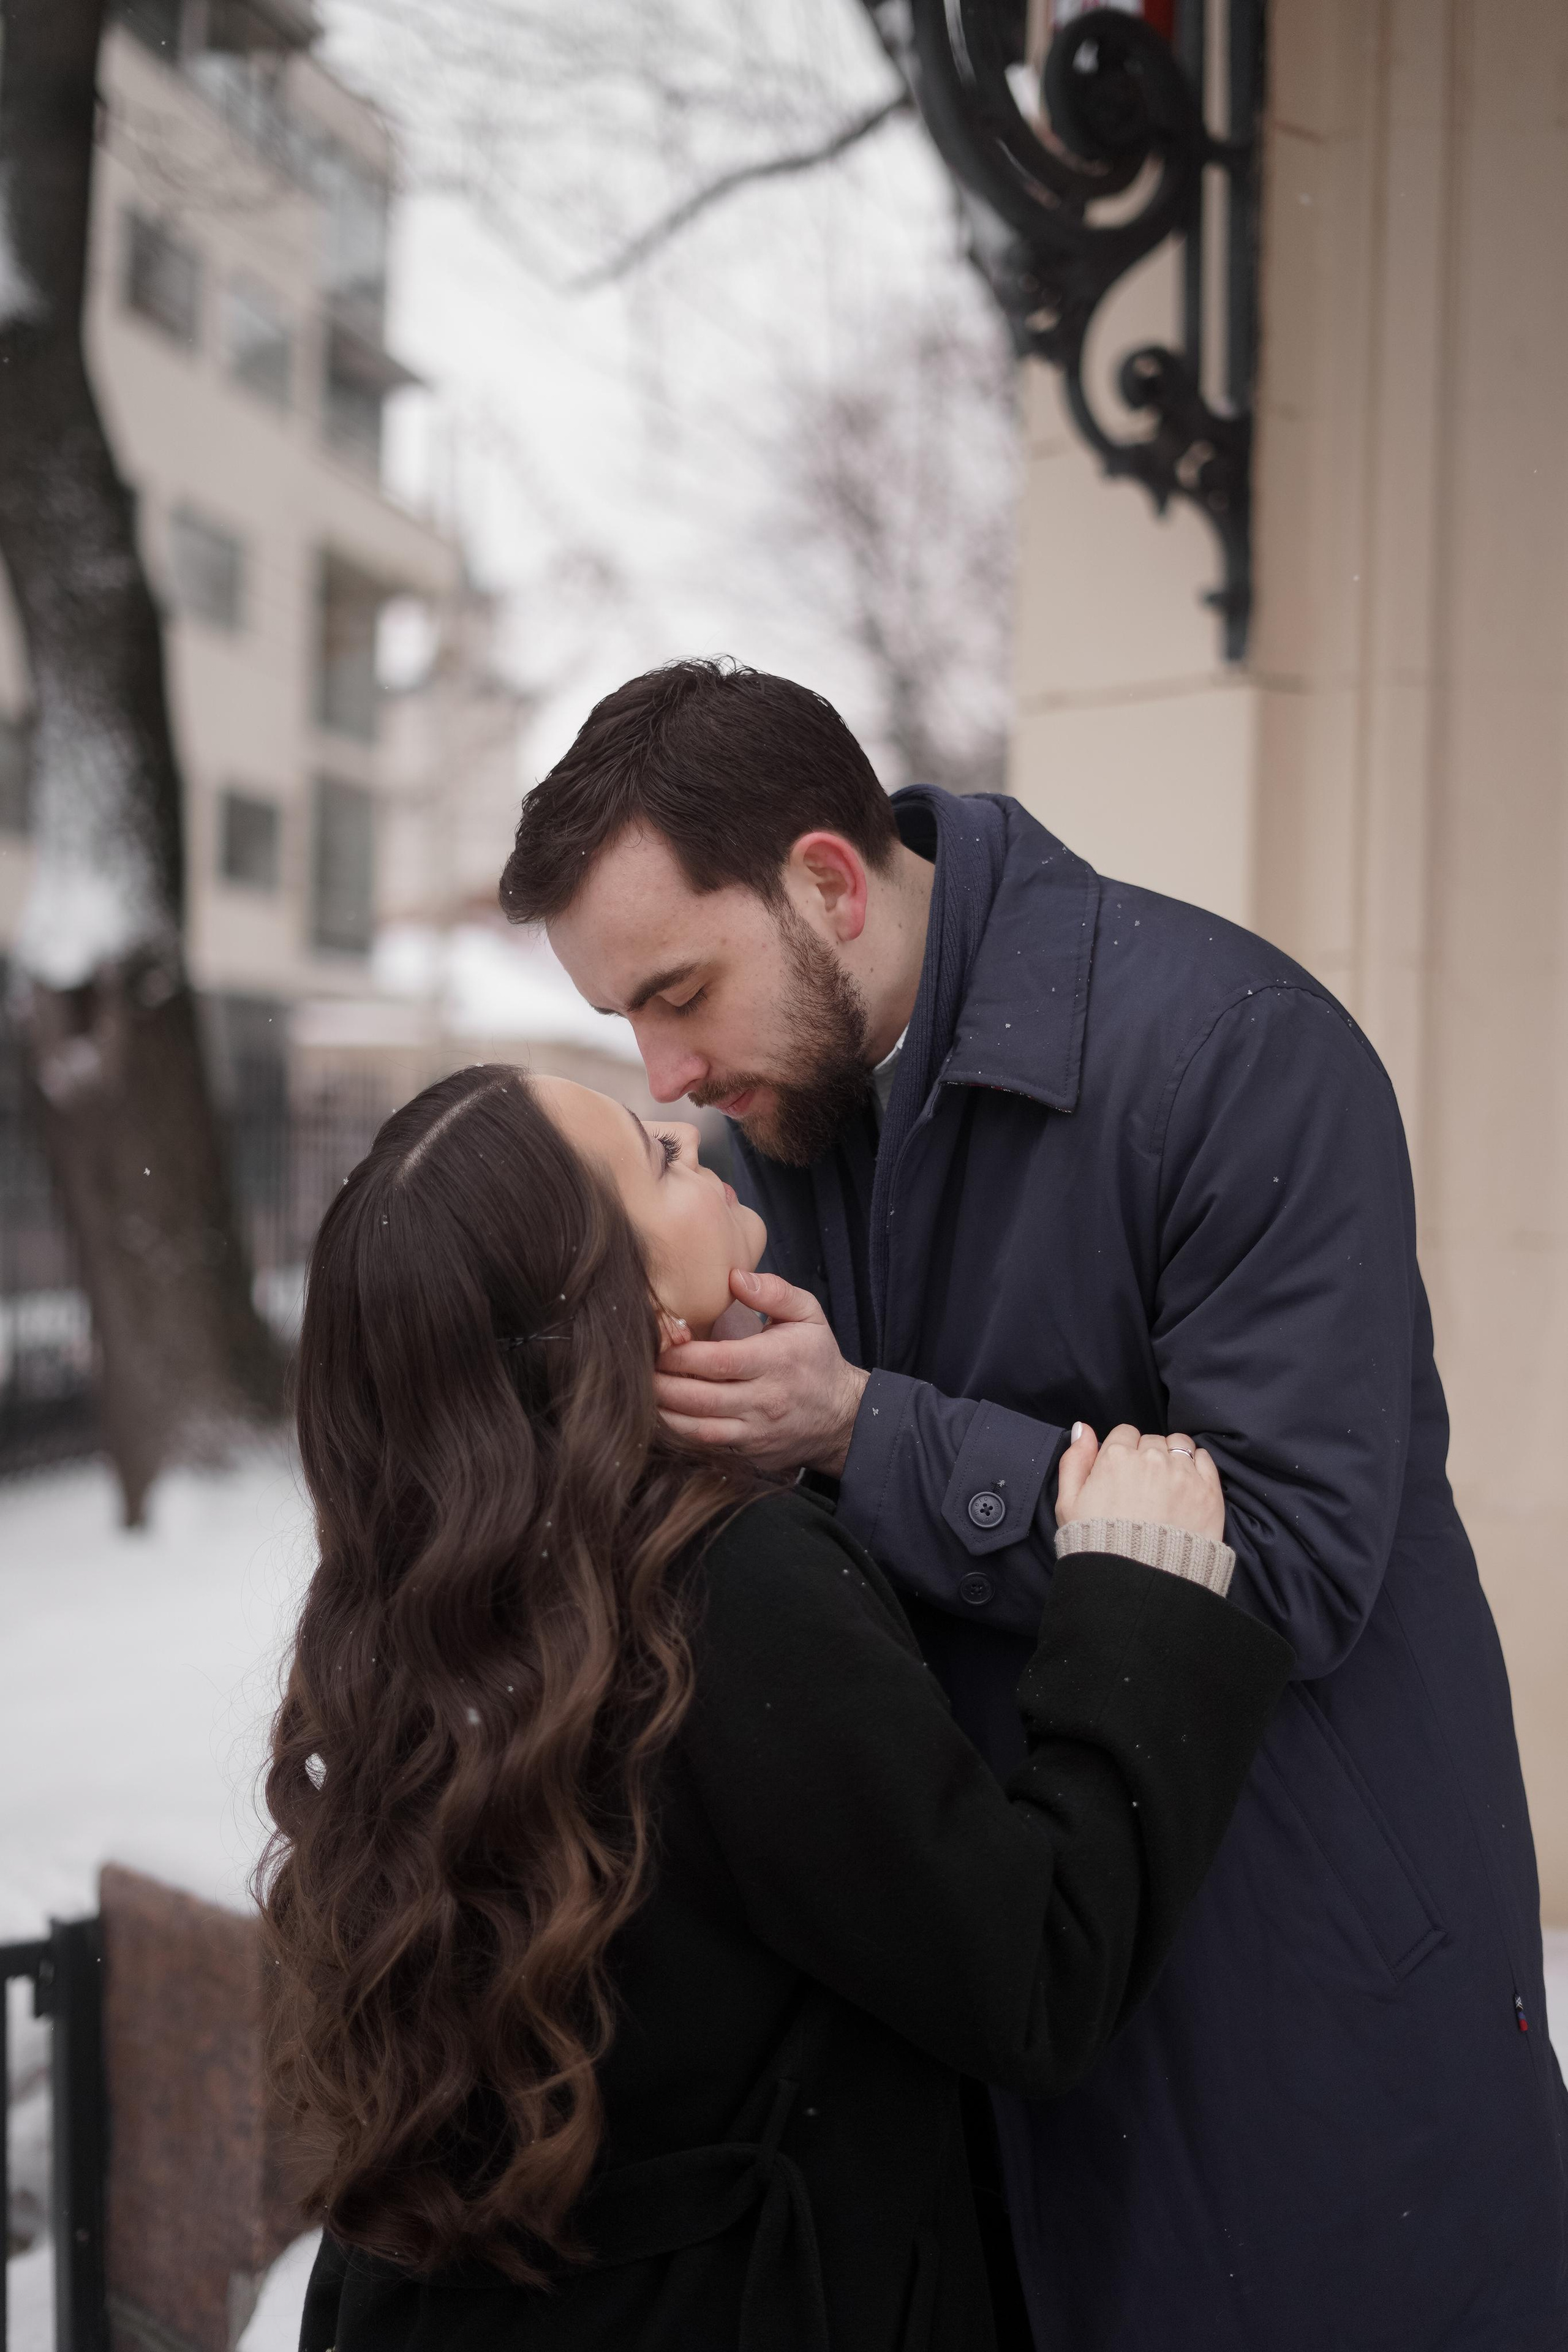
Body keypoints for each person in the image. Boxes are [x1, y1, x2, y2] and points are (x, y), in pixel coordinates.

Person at [503, 658, 1568, 2352]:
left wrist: (868, 1433)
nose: (669, 1072)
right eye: (625, 1018)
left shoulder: (1239, 1057)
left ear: (830, 886)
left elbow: (1293, 1555)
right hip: (985, 1992)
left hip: (1288, 2001)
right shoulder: (767, 1139)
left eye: (681, 990)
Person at [265, 1063, 1291, 2352]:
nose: (691, 1133)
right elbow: (1028, 1971)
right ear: (632, 1314)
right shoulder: (719, 1591)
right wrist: (1137, 1611)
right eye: (656, 1162)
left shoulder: (422, 1613)